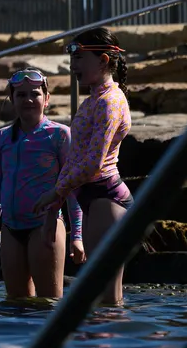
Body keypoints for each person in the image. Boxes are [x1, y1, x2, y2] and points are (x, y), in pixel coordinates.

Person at [34, 27, 133, 305]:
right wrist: (56, 203)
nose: (72, 65)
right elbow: (74, 157)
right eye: (72, 58)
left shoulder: (111, 101)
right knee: (97, 296)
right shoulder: (94, 100)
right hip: (93, 200)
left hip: (107, 199)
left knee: (108, 298)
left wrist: (56, 193)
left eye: (79, 58)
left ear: (103, 60)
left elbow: (93, 163)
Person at [0, 67, 85, 299]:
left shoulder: (59, 135)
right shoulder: (2, 137)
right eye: (21, 95)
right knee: (16, 305)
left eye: (35, 93)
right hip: (11, 229)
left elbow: (73, 190)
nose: (29, 99)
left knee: (48, 304)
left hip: (45, 227)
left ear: (46, 99)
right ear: (12, 99)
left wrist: (77, 237)